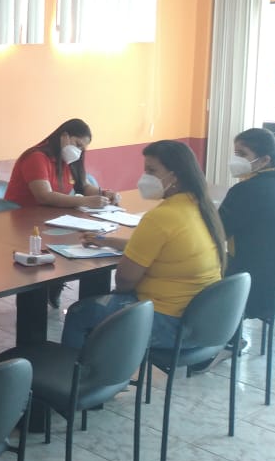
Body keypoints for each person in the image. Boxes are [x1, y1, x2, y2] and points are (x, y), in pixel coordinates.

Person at [61, 140, 225, 350]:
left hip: (167, 322)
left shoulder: (161, 217)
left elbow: (124, 280)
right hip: (201, 320)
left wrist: (119, 295)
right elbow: (162, 248)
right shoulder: (200, 207)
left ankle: (80, 370)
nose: (145, 177)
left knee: (80, 312)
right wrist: (104, 240)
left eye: (151, 170)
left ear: (174, 176)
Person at [4, 118, 119, 307]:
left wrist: (103, 193)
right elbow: (44, 196)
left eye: (83, 148)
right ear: (64, 136)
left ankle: (58, 286)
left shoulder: (68, 159)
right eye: (77, 144)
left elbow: (83, 186)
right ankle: (45, 294)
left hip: (51, 220)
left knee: (82, 245)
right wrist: (85, 201)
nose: (79, 151)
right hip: (24, 224)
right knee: (40, 265)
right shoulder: (36, 157)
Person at [220, 128, 275, 320]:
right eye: (235, 153)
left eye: (242, 154)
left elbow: (216, 234)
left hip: (259, 288)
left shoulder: (244, 190)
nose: (235, 159)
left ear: (264, 160)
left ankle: (220, 331)